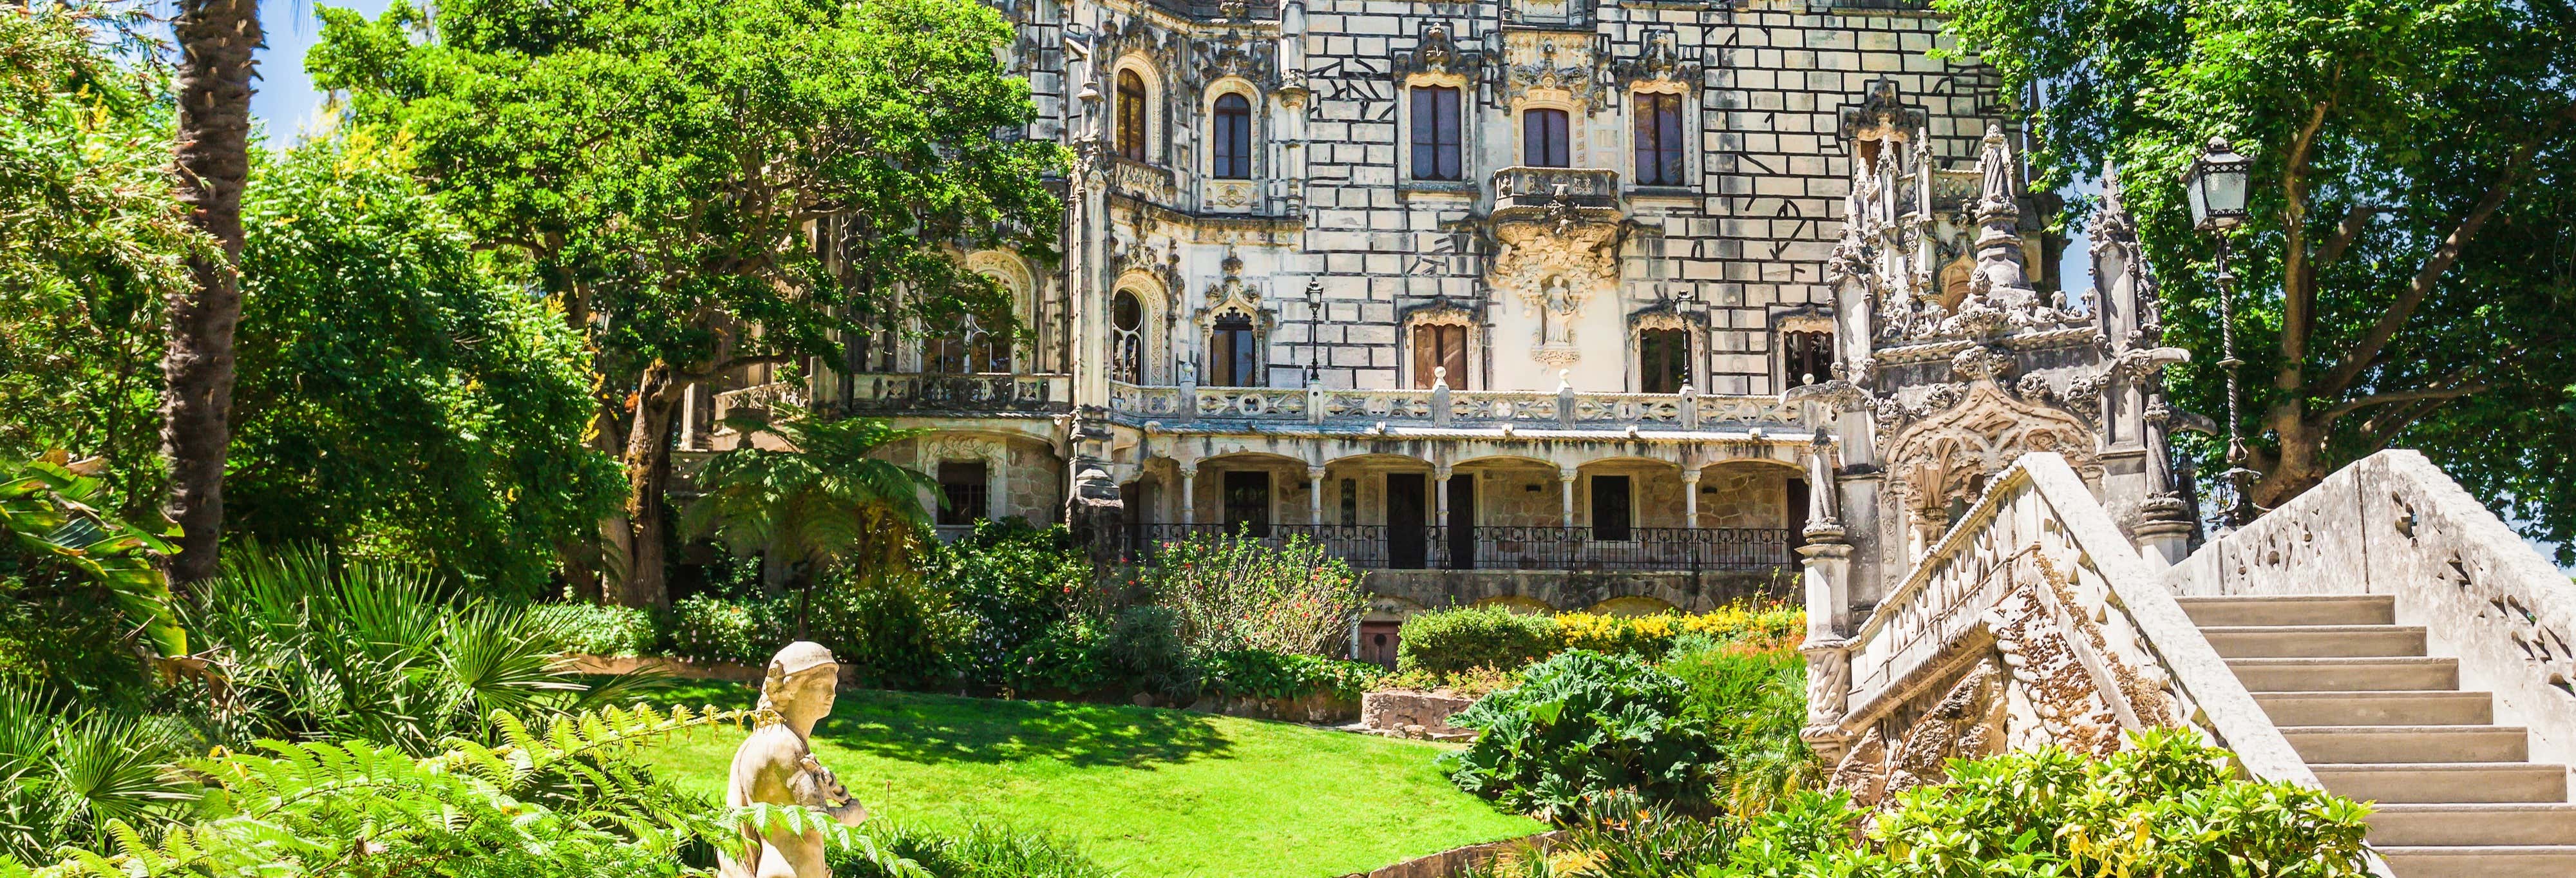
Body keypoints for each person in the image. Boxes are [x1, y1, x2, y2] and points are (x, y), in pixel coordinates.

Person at [717, 641, 871, 878]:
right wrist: (853, 813)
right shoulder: (784, 745)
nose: (831, 694)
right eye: (819, 685)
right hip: (792, 870)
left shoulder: (766, 739)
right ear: (790, 689)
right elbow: (818, 821)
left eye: (833, 686)